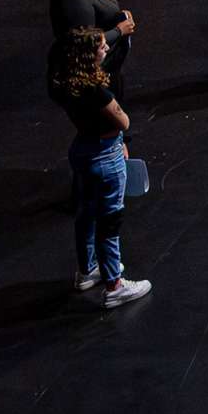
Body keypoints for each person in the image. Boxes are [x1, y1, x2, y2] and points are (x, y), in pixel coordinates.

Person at [48, 27, 152, 308]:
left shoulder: (68, 83)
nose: (106, 49)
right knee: (109, 219)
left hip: (82, 149)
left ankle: (87, 270)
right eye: (102, 47)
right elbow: (124, 122)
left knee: (86, 214)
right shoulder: (96, 92)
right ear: (89, 55)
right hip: (105, 156)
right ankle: (114, 285)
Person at [48, 0, 135, 120]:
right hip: (94, 75)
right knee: (108, 129)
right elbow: (83, 42)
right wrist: (119, 30)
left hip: (108, 69)